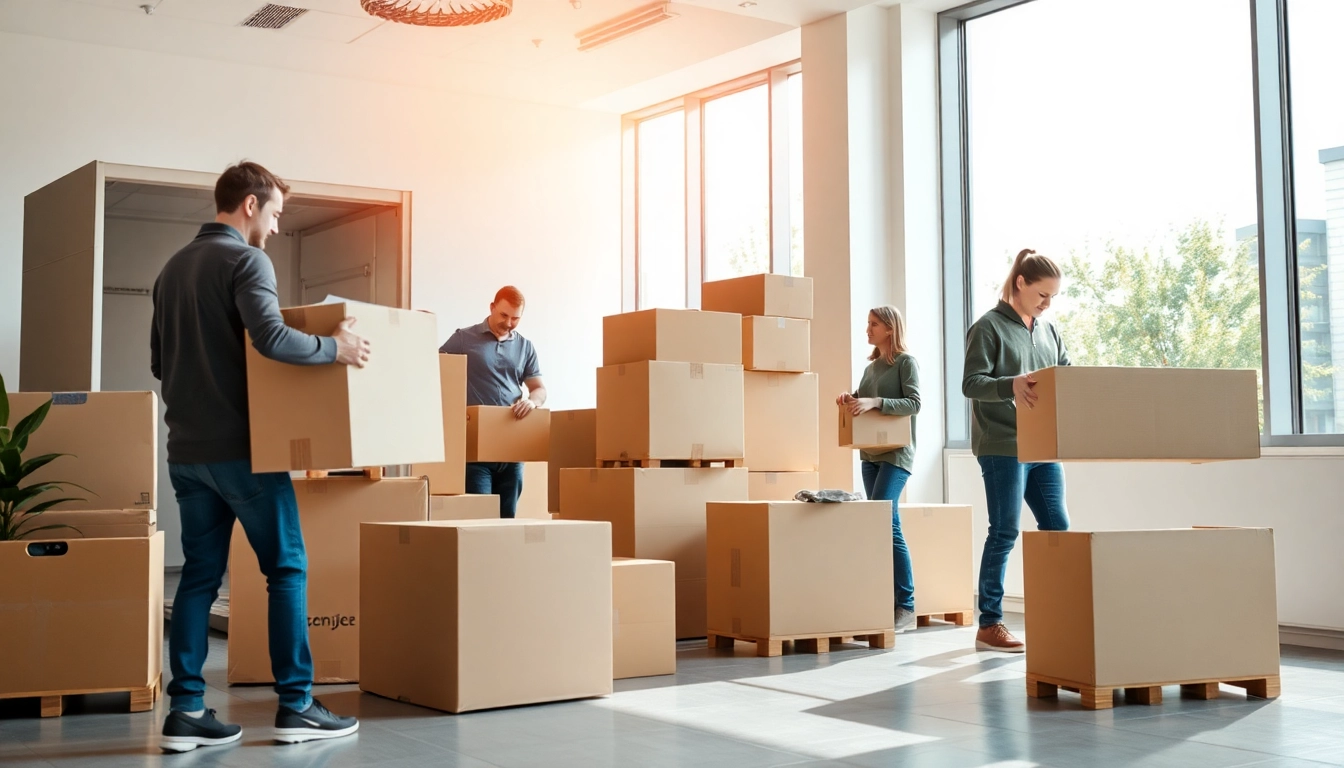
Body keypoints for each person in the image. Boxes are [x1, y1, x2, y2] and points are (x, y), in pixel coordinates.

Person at [152, 162, 367, 752]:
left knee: (198, 576)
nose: (273, 229)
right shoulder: (247, 261)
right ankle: (297, 706)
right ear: (249, 204)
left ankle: (187, 713)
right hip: (242, 453)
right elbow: (270, 337)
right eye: (273, 214)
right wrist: (335, 347)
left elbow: (157, 362)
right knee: (287, 569)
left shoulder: (171, 270)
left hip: (185, 453)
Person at [962, 248, 1071, 653]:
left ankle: (1057, 611)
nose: (1047, 304)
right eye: (1043, 295)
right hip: (1003, 444)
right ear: (1020, 283)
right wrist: (1011, 383)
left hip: (1044, 446)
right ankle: (989, 624)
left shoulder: (1048, 330)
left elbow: (1065, 373)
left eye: (1053, 297)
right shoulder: (987, 328)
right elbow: (971, 383)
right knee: (1004, 530)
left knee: (1057, 528)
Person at [837, 306, 921, 634]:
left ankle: (907, 605)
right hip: (870, 455)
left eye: (873, 324)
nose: (867, 329)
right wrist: (850, 398)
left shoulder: (905, 363)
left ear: (889, 328)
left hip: (896, 454)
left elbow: (914, 403)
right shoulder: (871, 367)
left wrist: (877, 403)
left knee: (889, 523)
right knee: (878, 526)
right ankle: (883, 602)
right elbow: (862, 398)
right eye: (868, 324)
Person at [440, 286, 546, 518]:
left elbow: (538, 389)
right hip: (476, 452)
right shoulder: (463, 339)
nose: (509, 323)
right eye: (504, 315)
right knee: (480, 520)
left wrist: (532, 402)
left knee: (507, 519)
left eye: (515, 318)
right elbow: (439, 373)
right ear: (492, 307)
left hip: (511, 449)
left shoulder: (525, 347)